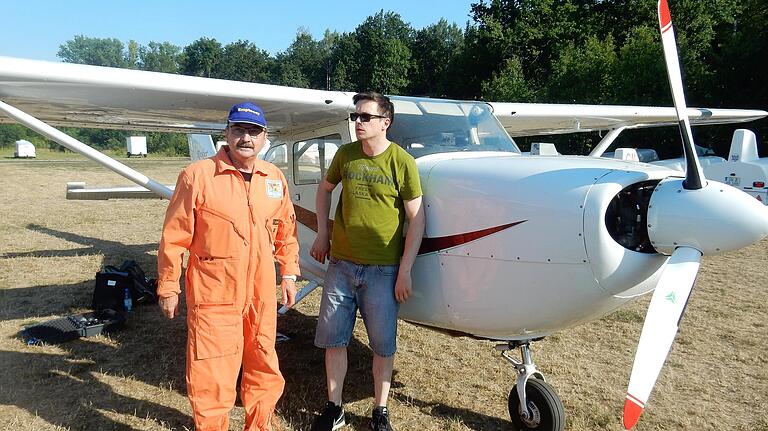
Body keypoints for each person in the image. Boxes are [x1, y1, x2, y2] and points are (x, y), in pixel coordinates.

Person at [157, 102, 300, 431]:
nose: (246, 137)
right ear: (226, 133)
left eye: (254, 131)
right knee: (213, 370)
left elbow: (285, 231)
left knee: (263, 359)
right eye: (239, 129)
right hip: (215, 292)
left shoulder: (273, 178)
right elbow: (174, 236)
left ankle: (260, 424)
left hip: (261, 293)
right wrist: (168, 286)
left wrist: (289, 273)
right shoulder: (197, 176)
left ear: (265, 138)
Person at [309, 92, 425, 431]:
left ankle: (380, 411)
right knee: (334, 340)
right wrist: (322, 234)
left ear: (384, 122)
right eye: (355, 116)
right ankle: (335, 408)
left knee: (383, 346)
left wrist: (405, 270)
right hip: (341, 266)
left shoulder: (402, 162)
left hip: (383, 271)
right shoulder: (345, 155)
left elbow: (416, 219)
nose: (357, 122)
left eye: (365, 117)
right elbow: (324, 189)